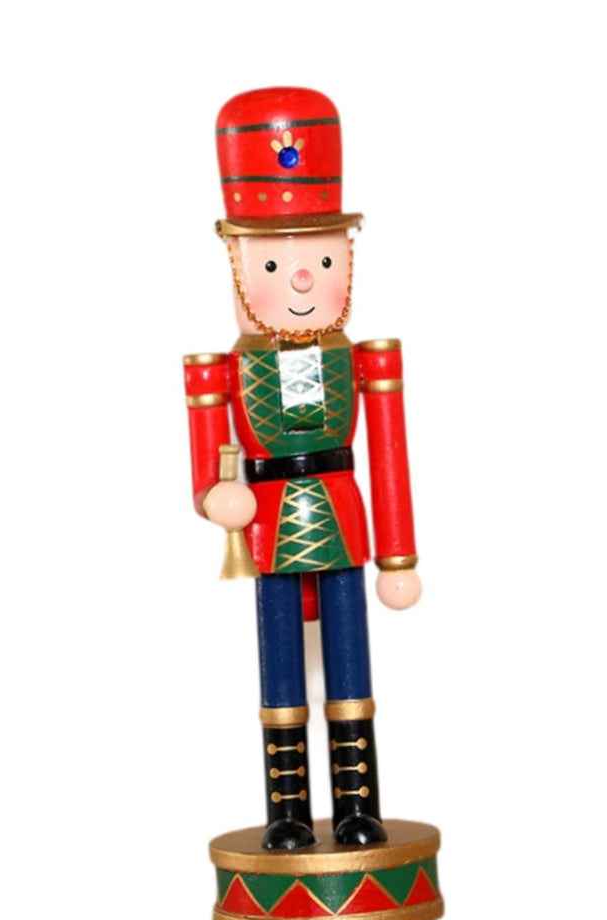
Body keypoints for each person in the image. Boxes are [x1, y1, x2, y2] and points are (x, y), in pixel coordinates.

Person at [184, 87, 421, 850]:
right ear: (236, 262)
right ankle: (286, 808)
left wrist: (399, 557)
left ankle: (357, 803)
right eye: (274, 261)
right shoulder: (219, 370)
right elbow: (205, 469)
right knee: (280, 669)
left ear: (347, 254)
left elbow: (390, 457)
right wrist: (217, 497)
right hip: (270, 527)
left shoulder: (366, 359)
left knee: (351, 668)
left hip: (344, 519)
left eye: (321, 258)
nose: (300, 279)